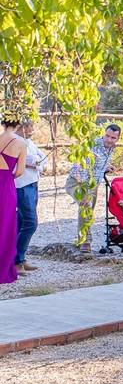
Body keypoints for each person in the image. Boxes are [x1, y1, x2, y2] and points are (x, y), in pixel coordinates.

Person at [66, 124, 120, 251]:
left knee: (87, 211)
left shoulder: (111, 148)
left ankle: (81, 239)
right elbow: (79, 168)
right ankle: (85, 242)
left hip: (93, 185)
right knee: (86, 207)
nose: (109, 139)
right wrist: (84, 191)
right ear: (104, 134)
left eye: (113, 137)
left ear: (117, 139)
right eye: (107, 136)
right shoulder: (92, 145)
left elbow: (96, 164)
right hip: (77, 183)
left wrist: (106, 167)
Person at [15, 120, 44, 273]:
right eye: (30, 128)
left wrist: (36, 162)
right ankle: (16, 260)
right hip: (22, 185)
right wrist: (34, 161)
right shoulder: (15, 141)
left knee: (21, 222)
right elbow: (29, 159)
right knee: (30, 223)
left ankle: (20, 257)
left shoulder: (28, 142)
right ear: (23, 127)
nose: (33, 131)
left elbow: (40, 158)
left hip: (33, 183)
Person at [1, 119, 26, 283]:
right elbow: (20, 171)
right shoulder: (21, 143)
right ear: (18, 125)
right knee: (5, 225)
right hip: (6, 187)